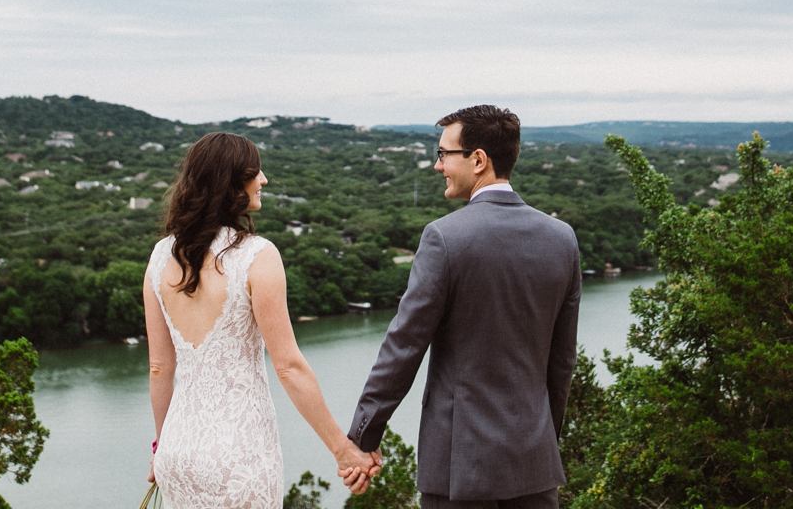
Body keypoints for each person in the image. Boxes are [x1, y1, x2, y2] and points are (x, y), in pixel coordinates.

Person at [343, 105, 582, 509]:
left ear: (478, 160)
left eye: (443, 154)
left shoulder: (444, 238)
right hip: (534, 470)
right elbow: (562, 362)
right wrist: (541, 442)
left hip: (460, 472)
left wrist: (362, 439)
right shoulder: (562, 238)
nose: (437, 166)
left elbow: (403, 349)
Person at [144, 131, 373, 509]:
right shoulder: (257, 256)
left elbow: (158, 368)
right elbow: (289, 368)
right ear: (230, 182)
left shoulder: (158, 257)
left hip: (176, 449)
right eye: (255, 172)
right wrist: (343, 450)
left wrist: (160, 446)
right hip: (240, 453)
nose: (263, 179)